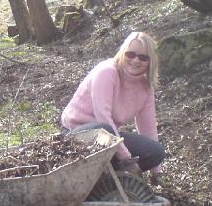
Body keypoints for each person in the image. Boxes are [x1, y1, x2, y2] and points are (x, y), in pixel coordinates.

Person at [60, 31, 166, 185]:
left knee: (156, 151)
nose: (136, 60)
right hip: (77, 133)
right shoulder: (107, 72)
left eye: (143, 57)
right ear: (123, 53)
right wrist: (126, 159)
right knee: (104, 129)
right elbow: (103, 116)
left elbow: (148, 129)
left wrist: (157, 172)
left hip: (108, 138)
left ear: (150, 62)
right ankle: (110, 174)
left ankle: (110, 177)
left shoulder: (146, 87)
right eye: (131, 54)